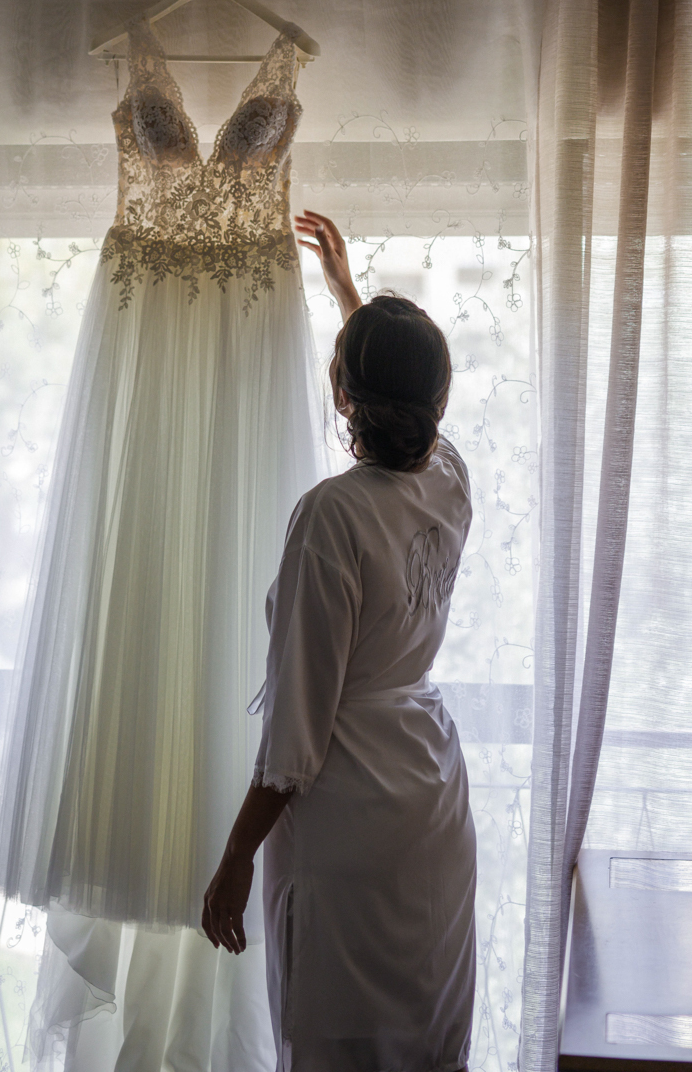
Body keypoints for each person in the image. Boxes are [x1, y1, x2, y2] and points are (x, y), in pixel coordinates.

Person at [203, 210, 477, 1072]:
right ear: (439, 400)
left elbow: (296, 733)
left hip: (349, 813)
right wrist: (350, 298)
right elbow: (409, 409)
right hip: (430, 800)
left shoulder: (332, 516)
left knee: (339, 1045)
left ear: (341, 394)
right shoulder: (450, 482)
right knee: (423, 1037)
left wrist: (235, 856)